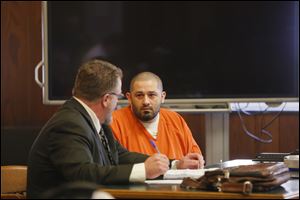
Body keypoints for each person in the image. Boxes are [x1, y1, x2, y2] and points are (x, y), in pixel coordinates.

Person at [27, 60, 201, 199]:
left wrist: (174, 164)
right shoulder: (69, 124)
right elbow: (82, 174)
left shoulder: (94, 121)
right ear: (106, 100)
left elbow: (121, 156)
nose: (118, 103)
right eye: (118, 97)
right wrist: (144, 170)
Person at [110, 72, 205, 165]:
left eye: (152, 95)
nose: (146, 101)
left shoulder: (175, 119)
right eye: (139, 95)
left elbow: (194, 159)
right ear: (129, 98)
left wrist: (196, 162)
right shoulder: (114, 121)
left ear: (162, 97)